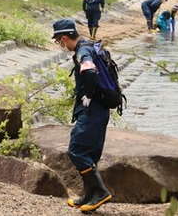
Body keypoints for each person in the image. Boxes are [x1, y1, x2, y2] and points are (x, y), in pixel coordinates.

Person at [51, 19, 112, 212]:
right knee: (90, 153)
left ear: (65, 38)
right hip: (100, 108)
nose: (61, 45)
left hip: (93, 108)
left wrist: (88, 95)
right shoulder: (89, 45)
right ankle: (89, 196)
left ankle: (101, 192)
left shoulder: (82, 51)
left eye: (59, 41)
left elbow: (90, 71)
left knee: (77, 150)